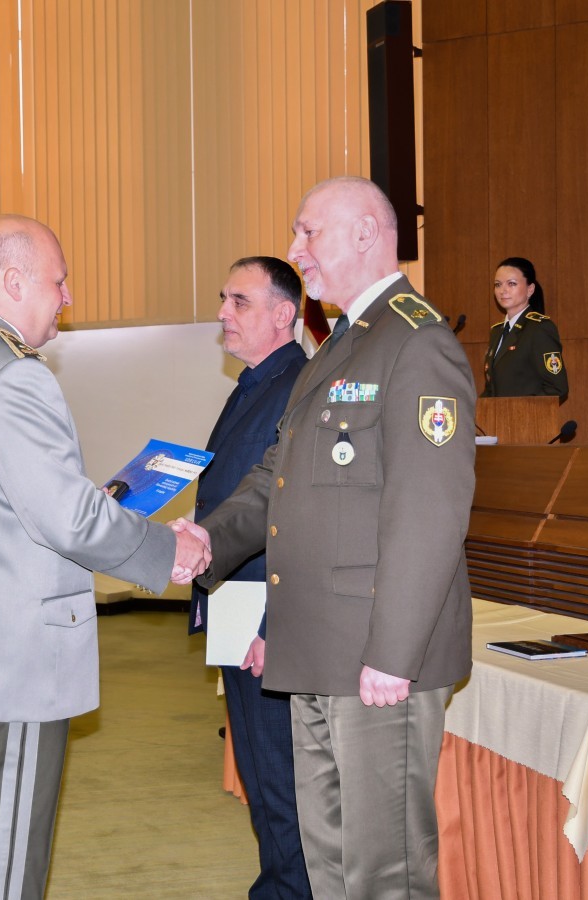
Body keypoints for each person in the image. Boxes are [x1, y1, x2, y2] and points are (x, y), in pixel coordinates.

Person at [0, 214, 209, 900]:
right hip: (5, 669)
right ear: (14, 281)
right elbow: (67, 518)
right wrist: (167, 548)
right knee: (1, 877)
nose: (68, 298)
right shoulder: (10, 373)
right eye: (59, 281)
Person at [179, 176, 476, 899]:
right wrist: (205, 541)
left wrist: (394, 654)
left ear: (367, 233)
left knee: (384, 871)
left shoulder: (416, 341)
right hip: (315, 648)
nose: (295, 248)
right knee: (329, 862)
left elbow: (429, 510)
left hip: (374, 655)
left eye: (308, 231)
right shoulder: (343, 344)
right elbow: (276, 478)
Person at [189, 256, 311, 899]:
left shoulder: (298, 387)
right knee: (263, 777)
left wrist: (274, 624)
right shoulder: (256, 383)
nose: (222, 313)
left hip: (266, 610)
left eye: (239, 301)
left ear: (283, 314)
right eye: (223, 298)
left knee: (282, 780)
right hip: (237, 602)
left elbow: (300, 519)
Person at [481, 256, 568, 399]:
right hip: (498, 413)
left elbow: (557, 388)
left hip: (527, 414)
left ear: (530, 289)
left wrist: (521, 410)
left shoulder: (539, 328)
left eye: (511, 284)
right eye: (498, 285)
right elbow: (491, 390)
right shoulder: (497, 332)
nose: (503, 290)